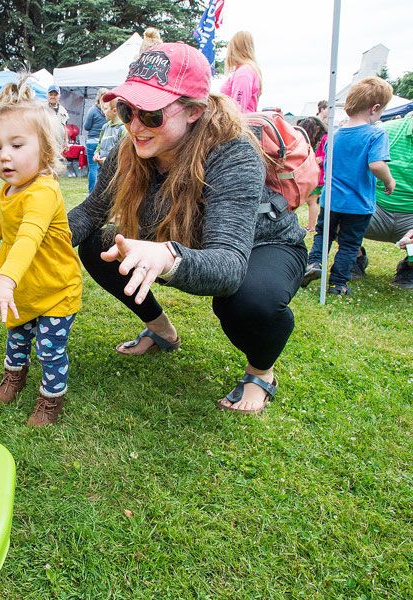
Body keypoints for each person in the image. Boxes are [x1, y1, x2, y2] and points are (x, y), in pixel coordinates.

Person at [68, 42, 308, 415]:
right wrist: (41, 235)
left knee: (249, 301)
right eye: (126, 109)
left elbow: (228, 265)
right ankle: (162, 331)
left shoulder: (234, 153)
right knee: (97, 244)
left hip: (262, 245)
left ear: (194, 111)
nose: (134, 125)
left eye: (150, 115)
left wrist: (165, 255)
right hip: (182, 244)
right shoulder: (128, 148)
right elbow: (91, 210)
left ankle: (261, 371)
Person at [0, 81, 82, 427]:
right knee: (16, 338)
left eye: (16, 145)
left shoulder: (43, 191)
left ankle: (50, 399)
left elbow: (29, 235)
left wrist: (3, 280)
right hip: (24, 289)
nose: (4, 155)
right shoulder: (11, 188)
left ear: (46, 149)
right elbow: (9, 223)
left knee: (49, 350)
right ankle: (15, 375)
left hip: (55, 290)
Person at [301, 76, 395, 295]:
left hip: (331, 198)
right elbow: (376, 164)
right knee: (350, 243)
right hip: (357, 202)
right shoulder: (376, 134)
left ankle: (313, 264)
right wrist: (389, 181)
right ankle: (338, 283)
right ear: (375, 108)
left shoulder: (335, 134)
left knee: (323, 235)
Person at [353, 112, 413, 289]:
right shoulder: (383, 132)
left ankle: (409, 267)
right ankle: (354, 257)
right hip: (375, 209)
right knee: (336, 208)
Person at [296, 116, 328, 231]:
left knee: (311, 200)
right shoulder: (315, 140)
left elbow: (331, 155)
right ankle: (311, 226)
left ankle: (311, 226)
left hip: (319, 175)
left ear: (318, 128)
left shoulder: (325, 139)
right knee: (309, 201)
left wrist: (322, 158)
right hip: (312, 174)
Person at [220, 31, 262, 113]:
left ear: (234, 48)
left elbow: (238, 109)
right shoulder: (248, 70)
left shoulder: (244, 72)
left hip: (237, 123)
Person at [83, 88, 108, 193]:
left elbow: (86, 127)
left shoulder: (93, 110)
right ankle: (101, 192)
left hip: (92, 141)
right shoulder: (109, 109)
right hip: (104, 142)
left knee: (93, 168)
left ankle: (92, 193)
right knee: (103, 169)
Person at [93, 98, 125, 167]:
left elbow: (123, 152)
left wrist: (109, 160)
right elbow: (99, 144)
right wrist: (96, 153)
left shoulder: (123, 129)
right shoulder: (105, 127)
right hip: (102, 169)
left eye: (106, 109)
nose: (103, 112)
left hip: (115, 170)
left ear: (114, 111)